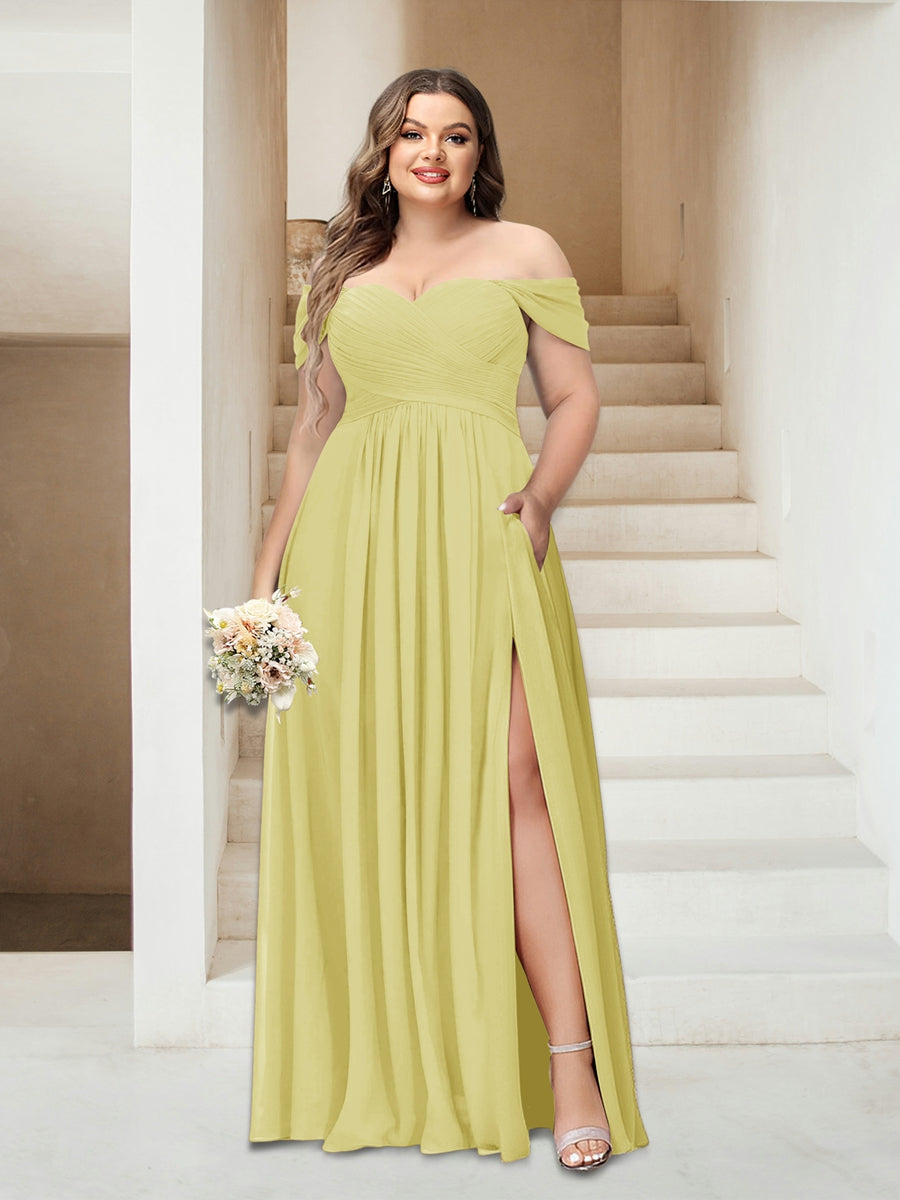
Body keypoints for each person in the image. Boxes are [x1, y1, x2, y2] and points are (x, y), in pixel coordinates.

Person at [248, 66, 649, 1170]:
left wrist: (543, 500)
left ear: (480, 153)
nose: (434, 152)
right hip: (351, 551)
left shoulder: (525, 250)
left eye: (457, 134)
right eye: (414, 133)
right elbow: (312, 434)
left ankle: (571, 1064)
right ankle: (405, 1058)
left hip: (486, 532)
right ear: (384, 152)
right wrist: (267, 576)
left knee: (519, 784)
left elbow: (574, 397)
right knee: (376, 795)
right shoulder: (341, 270)